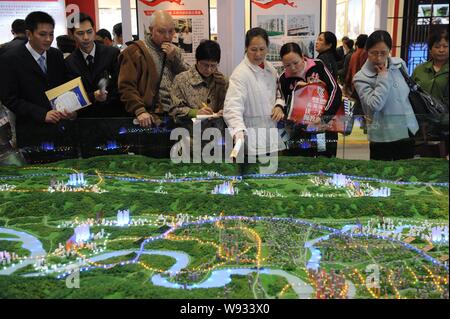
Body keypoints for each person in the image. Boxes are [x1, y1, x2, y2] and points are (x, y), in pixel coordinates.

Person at [0, 11, 75, 148]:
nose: (48, 39)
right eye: (42, 34)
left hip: (60, 127)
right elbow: (9, 98)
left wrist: (70, 108)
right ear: (29, 34)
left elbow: (63, 85)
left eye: (51, 34)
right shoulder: (10, 59)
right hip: (30, 129)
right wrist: (41, 114)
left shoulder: (56, 55)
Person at [353, 30, 419, 161]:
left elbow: (407, 94)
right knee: (383, 176)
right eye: (373, 53)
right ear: (367, 51)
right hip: (383, 136)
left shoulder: (399, 64)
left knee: (406, 174)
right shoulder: (361, 77)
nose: (378, 58)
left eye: (383, 53)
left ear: (390, 50)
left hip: (408, 130)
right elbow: (374, 105)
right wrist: (382, 78)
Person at [118, 10, 189, 127]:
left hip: (176, 114)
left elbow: (187, 79)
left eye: (171, 31)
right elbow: (126, 85)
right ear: (151, 30)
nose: (167, 36)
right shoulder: (135, 51)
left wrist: (174, 59)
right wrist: (139, 110)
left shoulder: (175, 51)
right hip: (149, 116)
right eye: (161, 31)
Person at [223, 27, 286, 157]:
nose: (258, 54)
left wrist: (279, 105)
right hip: (252, 139)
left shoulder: (271, 69)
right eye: (253, 50)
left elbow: (279, 92)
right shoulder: (240, 74)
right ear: (246, 48)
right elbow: (232, 106)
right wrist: (238, 130)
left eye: (262, 49)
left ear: (267, 47)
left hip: (271, 134)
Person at [278, 42, 342, 157]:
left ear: (302, 57)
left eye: (295, 63)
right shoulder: (283, 79)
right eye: (287, 65)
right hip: (300, 133)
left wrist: (324, 118)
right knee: (303, 162)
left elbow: (335, 90)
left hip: (323, 128)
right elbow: (286, 107)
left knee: (324, 159)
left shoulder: (318, 66)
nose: (292, 68)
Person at [66, 13, 127, 118]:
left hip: (113, 115)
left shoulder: (112, 53)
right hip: (86, 119)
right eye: (80, 33)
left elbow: (122, 85)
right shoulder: (69, 62)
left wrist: (107, 97)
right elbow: (73, 96)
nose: (86, 37)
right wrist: (93, 96)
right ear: (72, 35)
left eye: (89, 32)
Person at [170, 40, 228, 123]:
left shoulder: (222, 81)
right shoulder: (181, 80)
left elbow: (230, 105)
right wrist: (195, 112)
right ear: (197, 61)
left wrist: (224, 111)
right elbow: (174, 109)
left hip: (216, 132)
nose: (209, 69)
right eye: (205, 65)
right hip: (189, 132)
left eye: (213, 65)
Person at [412, 30, 448, 106]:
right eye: (437, 47)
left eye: (445, 46)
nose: (441, 50)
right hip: (421, 115)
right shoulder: (419, 69)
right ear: (430, 50)